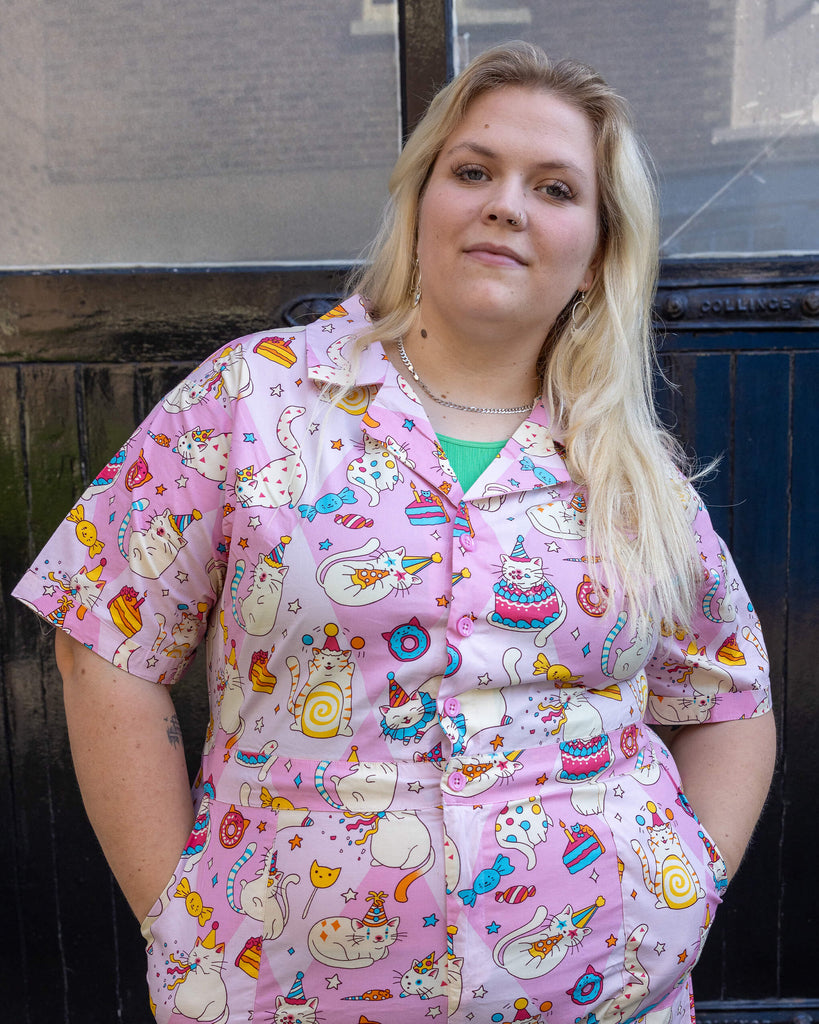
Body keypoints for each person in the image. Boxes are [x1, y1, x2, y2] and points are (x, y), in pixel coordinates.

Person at [14, 41, 775, 1024]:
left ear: (597, 255)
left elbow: (727, 684)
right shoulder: (254, 399)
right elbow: (103, 639)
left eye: (554, 187)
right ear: (422, 203)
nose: (506, 203)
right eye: (473, 172)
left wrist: (690, 882)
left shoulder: (629, 466)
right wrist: (179, 917)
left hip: (609, 997)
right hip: (291, 997)